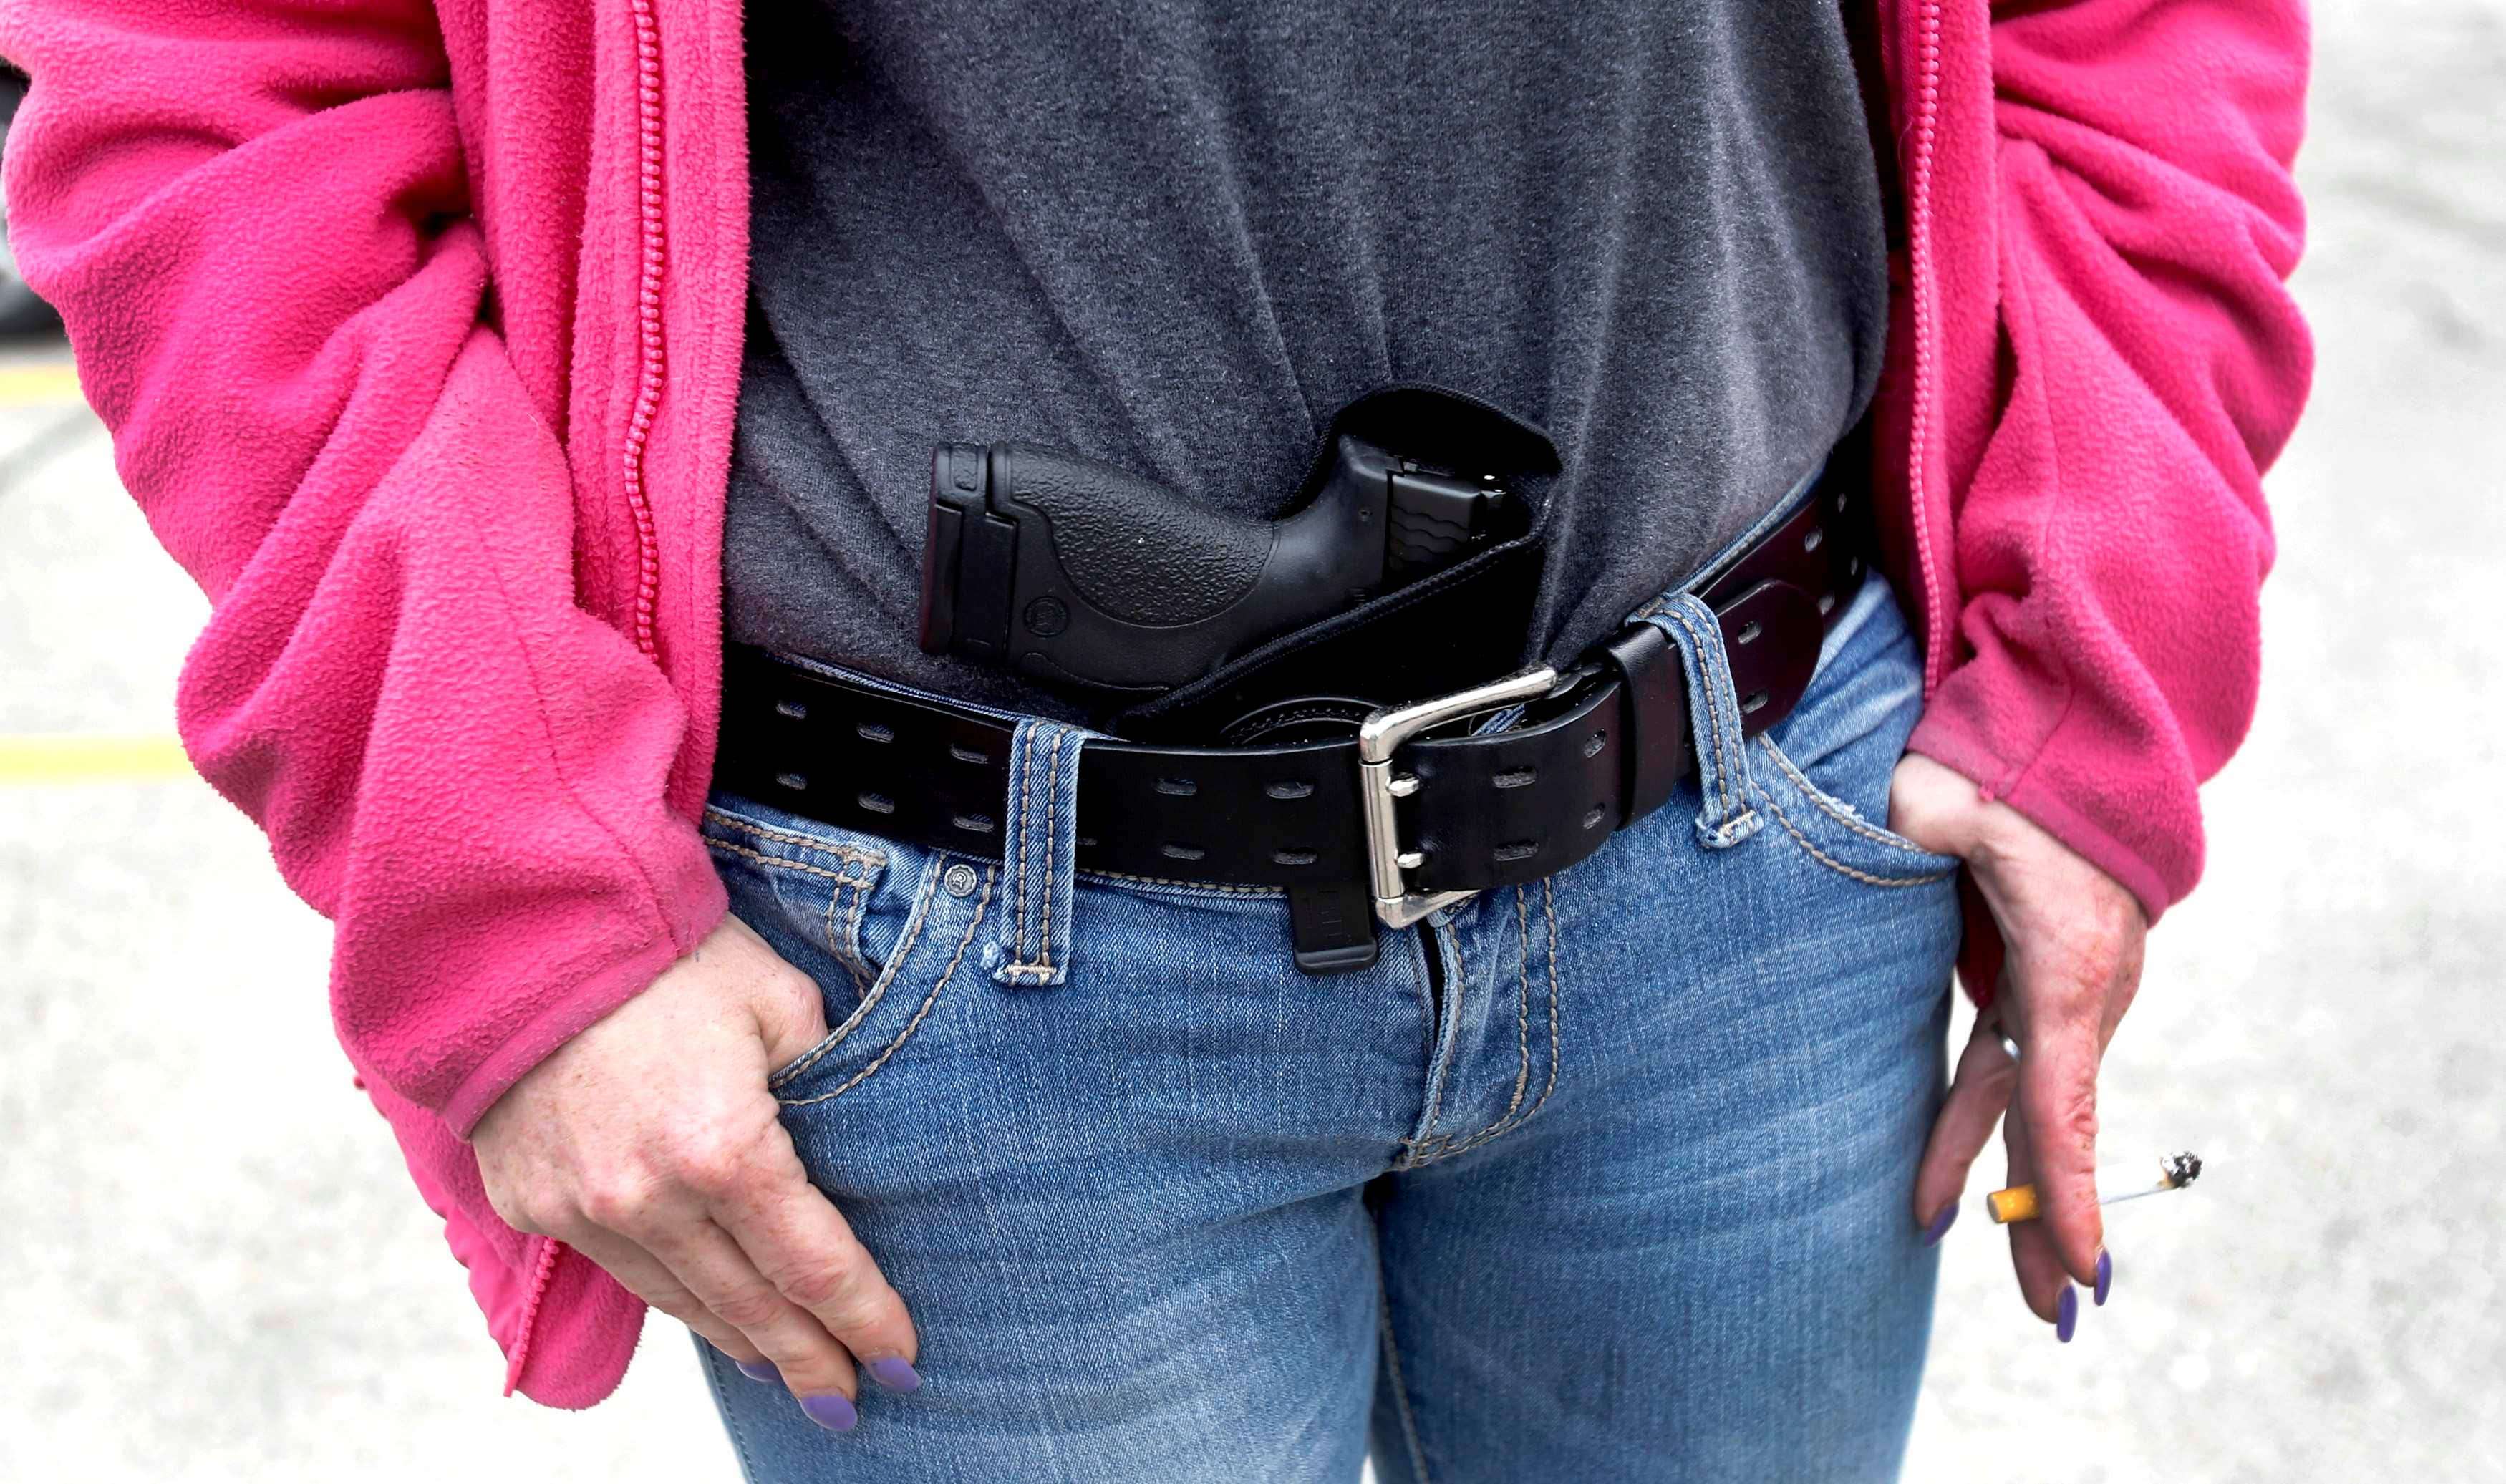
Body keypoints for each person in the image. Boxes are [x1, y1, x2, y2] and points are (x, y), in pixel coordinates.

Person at [0, 0, 2310, 1478]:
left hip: (1748, 833)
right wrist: (523, 893)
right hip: (952, 981)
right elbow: (223, 82)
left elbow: (2131, 35)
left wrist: (2096, 662)